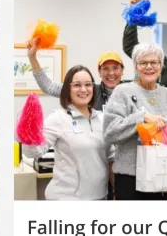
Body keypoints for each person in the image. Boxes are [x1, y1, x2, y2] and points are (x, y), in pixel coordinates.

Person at [104, 44, 167, 200]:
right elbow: (109, 133)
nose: (149, 67)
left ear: (161, 66)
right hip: (130, 178)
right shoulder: (122, 92)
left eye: (154, 62)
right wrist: (141, 117)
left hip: (162, 176)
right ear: (135, 66)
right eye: (143, 62)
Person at [21, 65, 113, 201]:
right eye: (77, 85)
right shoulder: (58, 118)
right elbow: (33, 153)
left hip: (100, 198)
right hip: (66, 199)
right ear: (67, 89)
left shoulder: (103, 119)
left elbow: (112, 158)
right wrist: (28, 133)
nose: (83, 89)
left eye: (88, 84)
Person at [28, 38, 125, 112]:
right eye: (105, 68)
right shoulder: (89, 91)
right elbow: (49, 87)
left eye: (115, 68)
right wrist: (32, 57)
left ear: (122, 70)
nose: (111, 73)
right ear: (99, 72)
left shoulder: (133, 90)